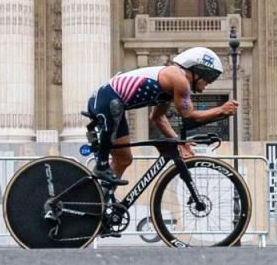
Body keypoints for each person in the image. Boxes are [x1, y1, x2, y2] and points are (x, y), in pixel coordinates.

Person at [85, 46, 238, 191]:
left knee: (124, 159)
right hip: (106, 100)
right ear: (198, 71)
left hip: (113, 103)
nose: (206, 85)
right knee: (114, 107)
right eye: (207, 80)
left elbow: (157, 117)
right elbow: (189, 116)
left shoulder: (171, 85)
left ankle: (101, 202)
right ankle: (101, 165)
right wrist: (221, 110)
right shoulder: (180, 80)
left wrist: (179, 142)